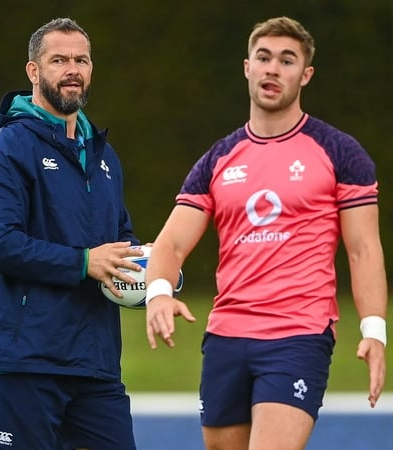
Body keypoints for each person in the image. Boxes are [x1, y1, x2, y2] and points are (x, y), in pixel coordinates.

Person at [144, 16, 387, 450]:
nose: (273, 68)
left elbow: (363, 248)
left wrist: (374, 330)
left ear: (305, 74)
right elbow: (172, 243)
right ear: (247, 68)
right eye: (264, 58)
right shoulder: (218, 159)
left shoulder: (340, 152)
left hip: (298, 334)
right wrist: (159, 291)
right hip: (226, 335)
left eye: (287, 60)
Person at [0, 17, 145, 450]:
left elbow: (121, 242)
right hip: (23, 363)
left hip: (96, 365)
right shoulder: (4, 150)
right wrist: (84, 263)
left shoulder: (104, 157)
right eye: (59, 59)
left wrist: (152, 277)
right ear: (33, 71)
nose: (72, 69)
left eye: (81, 60)